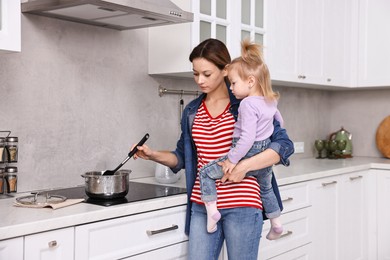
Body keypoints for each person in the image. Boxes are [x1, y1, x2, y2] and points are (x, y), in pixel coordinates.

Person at [133, 38, 294, 260]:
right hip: (203, 205)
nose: (199, 80)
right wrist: (152, 155)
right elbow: (181, 158)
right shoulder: (192, 111)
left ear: (225, 70)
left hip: (243, 202)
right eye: (195, 73)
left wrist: (243, 166)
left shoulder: (246, 102)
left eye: (206, 74)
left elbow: (283, 146)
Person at [198, 39, 284, 240]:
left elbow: (246, 138)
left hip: (248, 150)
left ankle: (212, 212)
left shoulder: (246, 104)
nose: (232, 88)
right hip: (264, 151)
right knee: (266, 187)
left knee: (206, 173)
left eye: (234, 83)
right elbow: (279, 120)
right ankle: (276, 222)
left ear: (251, 81)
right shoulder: (270, 101)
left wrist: (232, 160)